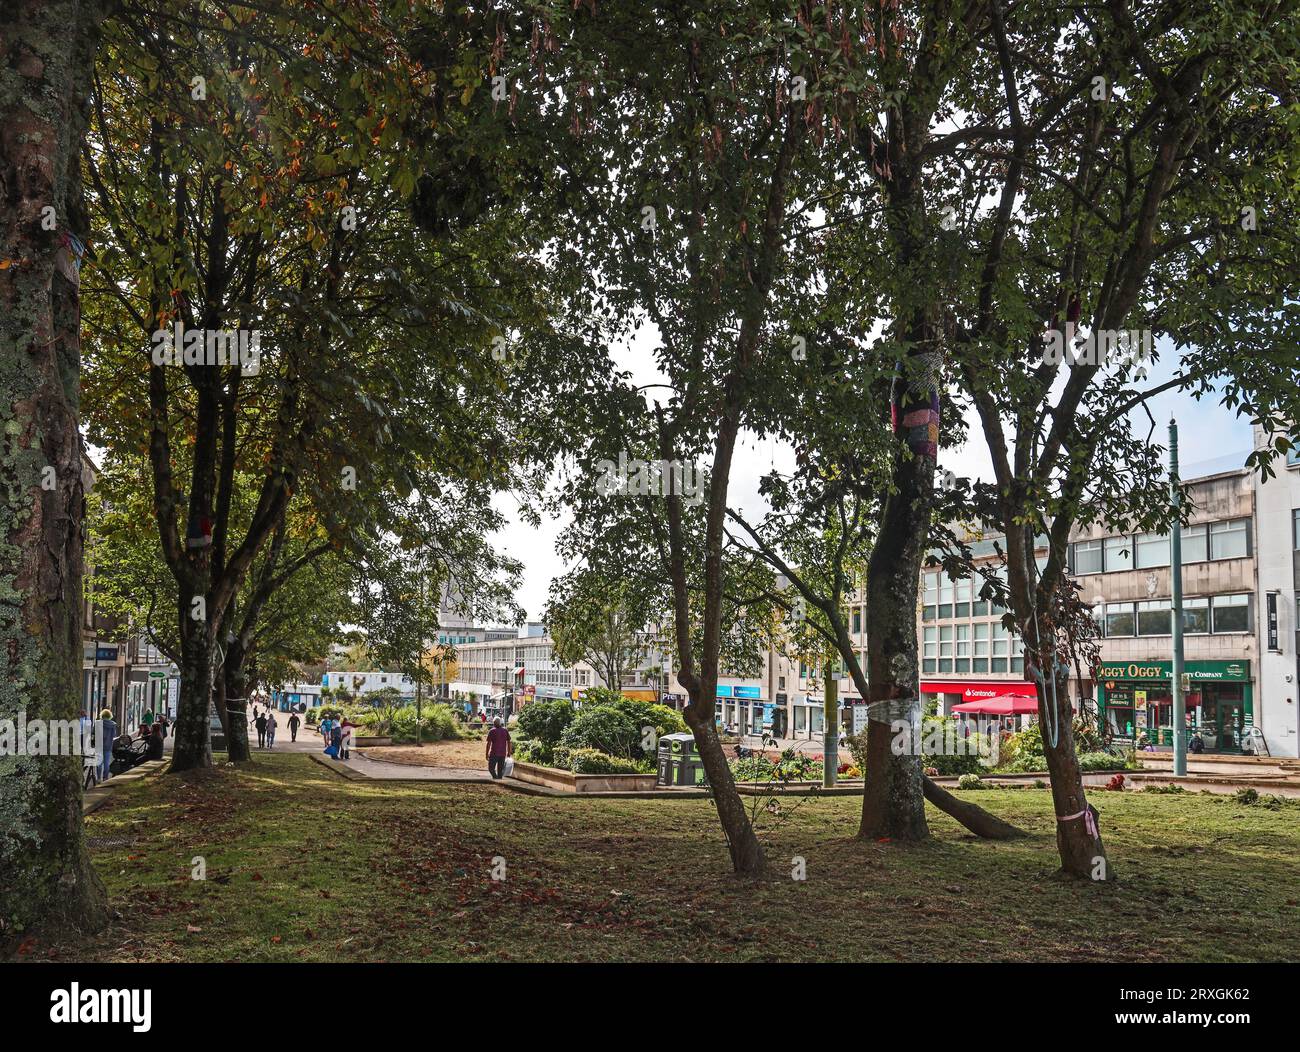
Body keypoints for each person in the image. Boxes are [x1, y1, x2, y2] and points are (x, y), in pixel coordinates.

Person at [97, 708, 116, 782]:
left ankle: (98, 778)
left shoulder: (98, 723)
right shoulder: (113, 724)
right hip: (108, 746)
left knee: (99, 763)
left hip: (99, 745)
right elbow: (114, 735)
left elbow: (93, 733)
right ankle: (105, 778)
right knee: (106, 763)